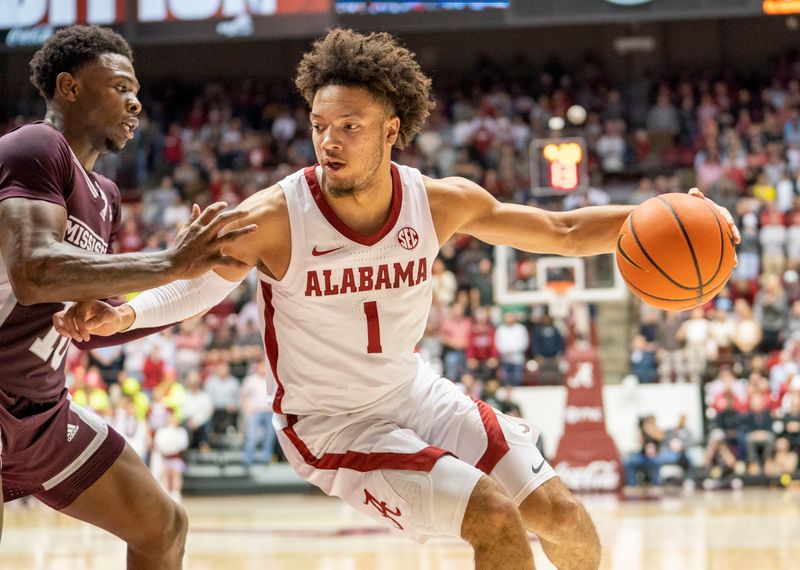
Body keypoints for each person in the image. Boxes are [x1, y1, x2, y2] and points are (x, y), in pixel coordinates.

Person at [56, 29, 740, 569]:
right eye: (321, 124)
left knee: (560, 514)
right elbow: (202, 284)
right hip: (331, 427)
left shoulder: (436, 203)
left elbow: (560, 229)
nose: (330, 139)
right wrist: (126, 313)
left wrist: (675, 210)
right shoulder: (277, 216)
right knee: (495, 518)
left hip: (412, 392)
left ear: (391, 131)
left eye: (350, 126)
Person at [0, 25, 255, 568]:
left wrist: (192, 288)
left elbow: (89, 321)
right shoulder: (36, 146)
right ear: (68, 87)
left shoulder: (107, 198)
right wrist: (170, 262)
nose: (136, 100)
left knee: (162, 529)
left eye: (136, 88)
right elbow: (33, 273)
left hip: (42, 412)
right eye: (120, 86)